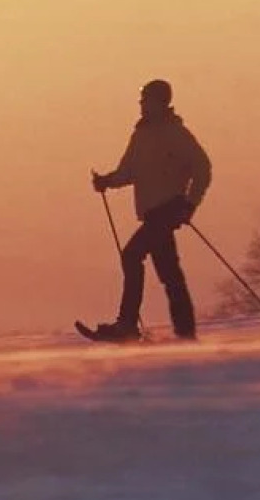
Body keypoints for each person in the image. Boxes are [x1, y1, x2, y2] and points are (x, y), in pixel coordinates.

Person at [84, 79, 213, 342]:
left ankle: (127, 325)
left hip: (168, 209)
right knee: (169, 273)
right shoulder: (141, 134)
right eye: (142, 100)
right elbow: (129, 172)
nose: (142, 104)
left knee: (132, 256)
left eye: (146, 100)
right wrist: (107, 181)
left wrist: (189, 204)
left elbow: (202, 168)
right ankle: (185, 332)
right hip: (154, 212)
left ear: (160, 102)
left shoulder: (175, 133)